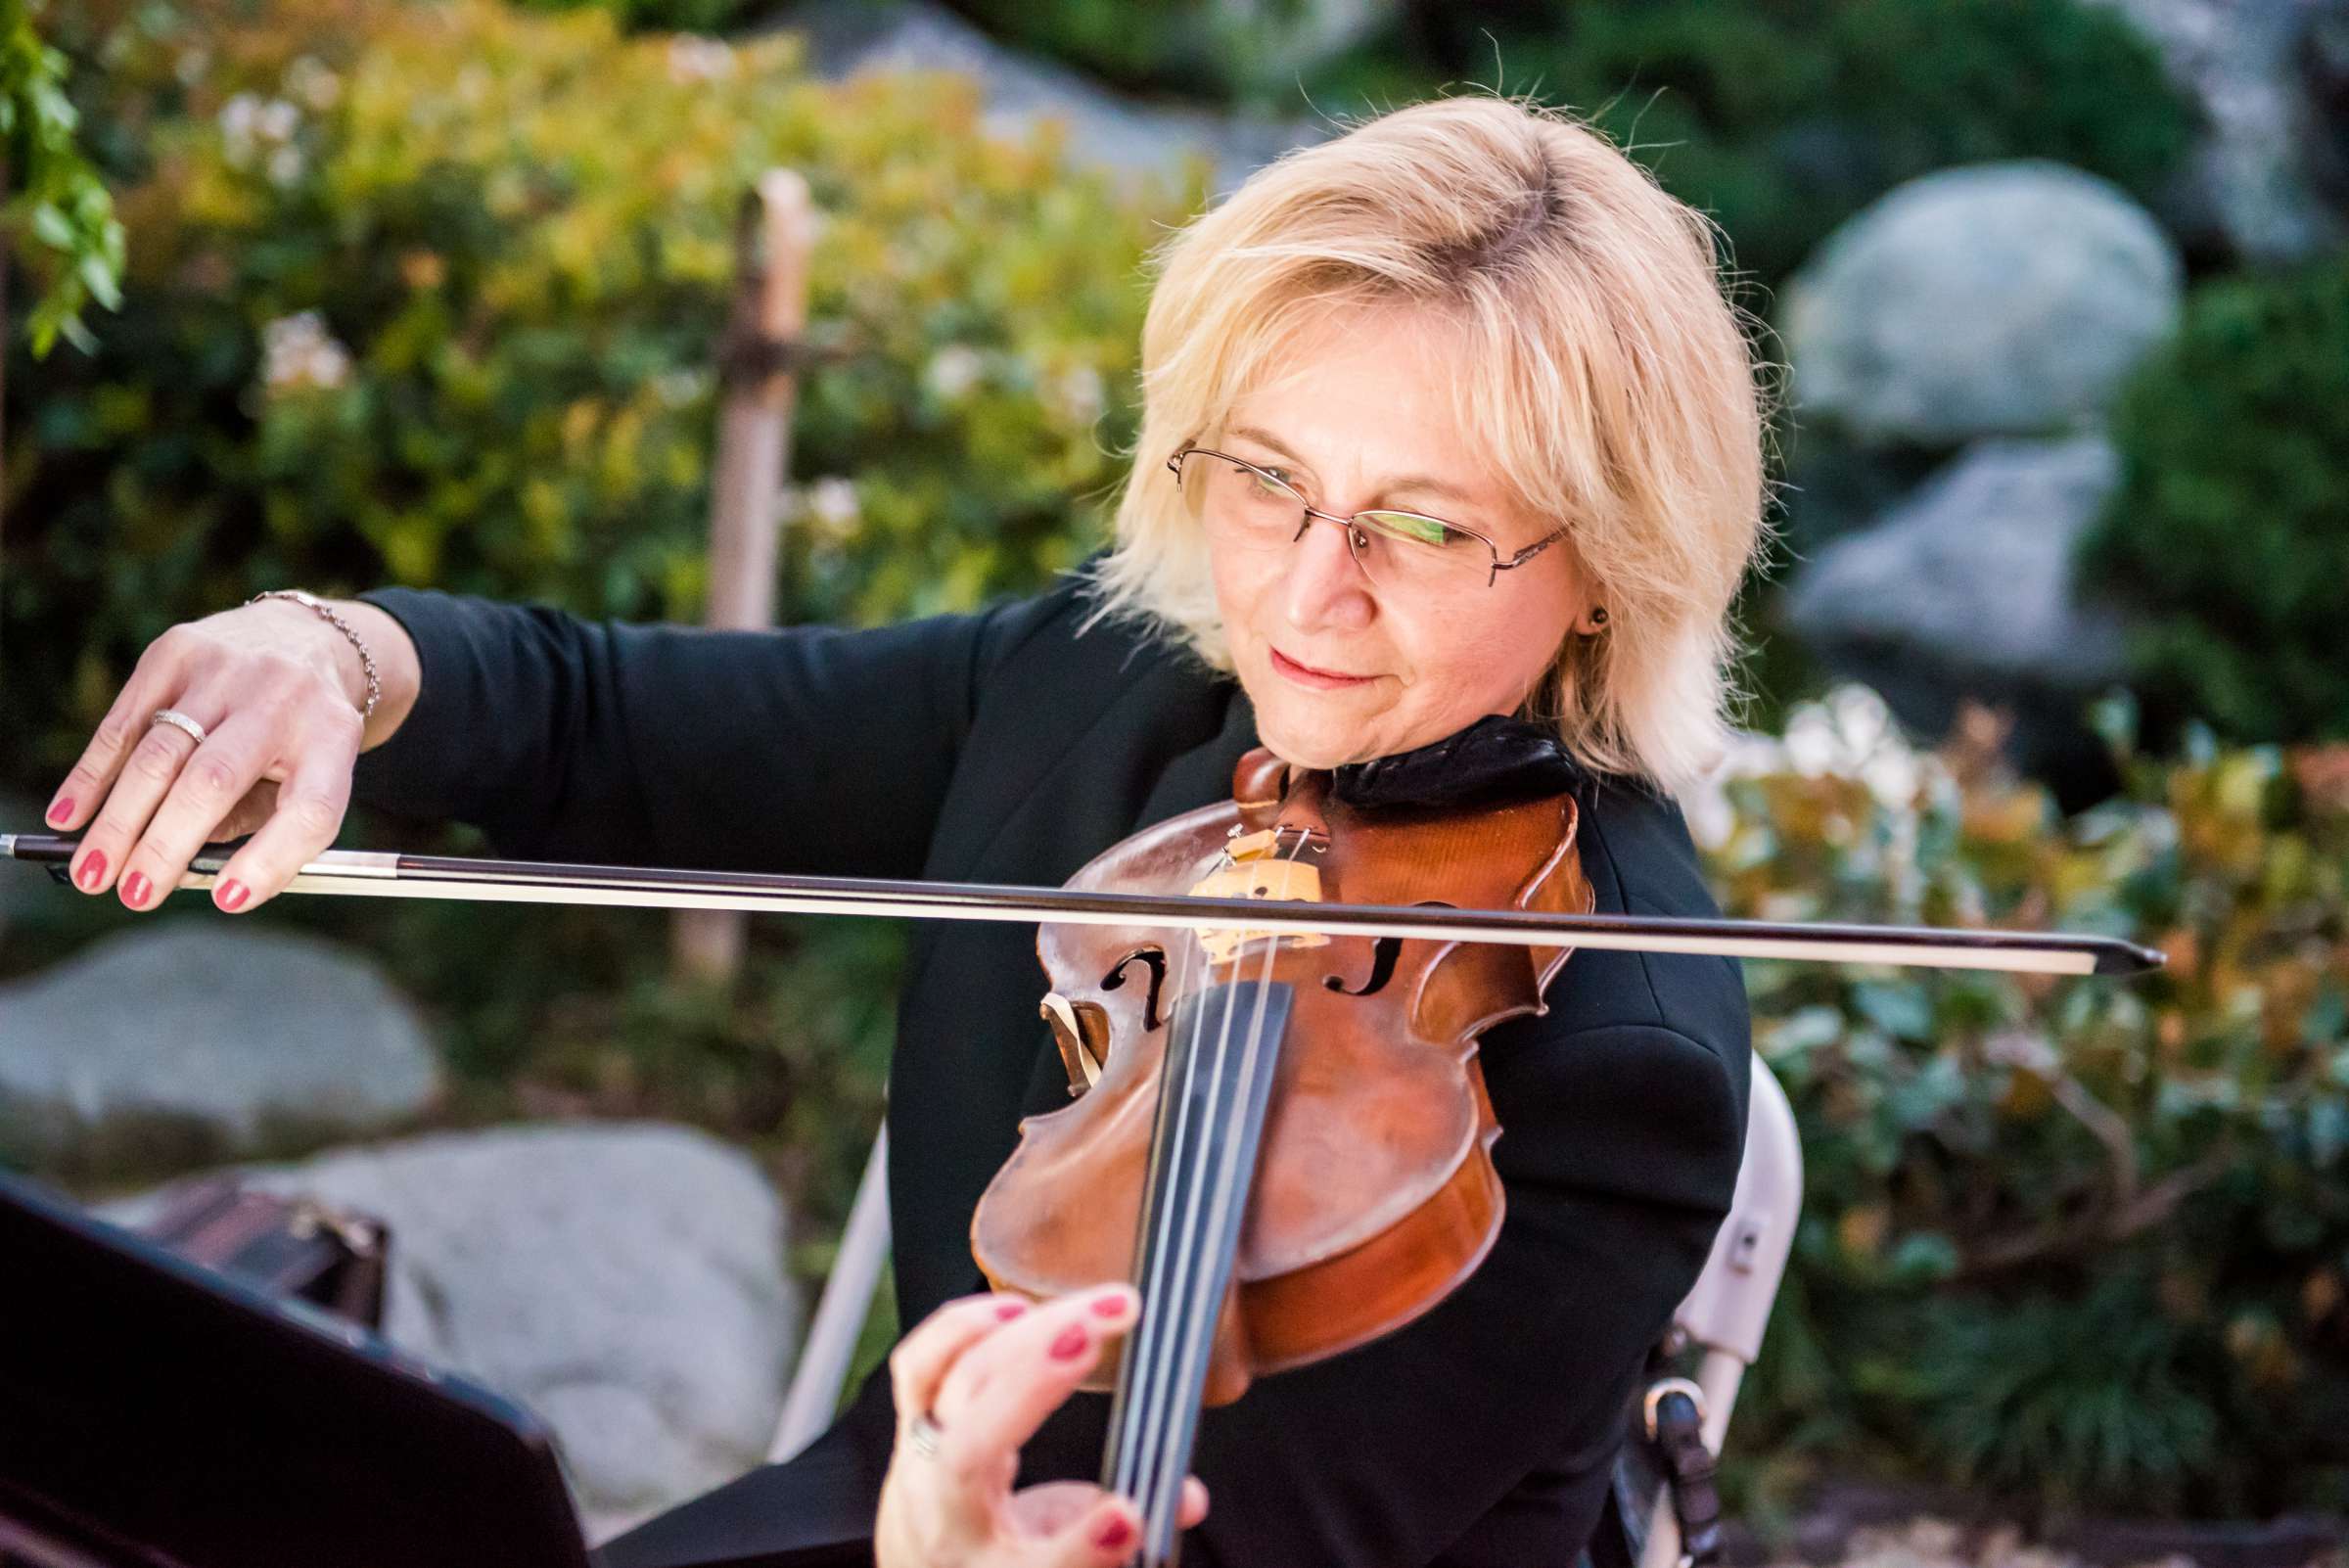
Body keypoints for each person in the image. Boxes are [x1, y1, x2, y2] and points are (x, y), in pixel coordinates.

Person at [40, 90, 1771, 1566]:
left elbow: (1223, 1535)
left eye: (1417, 521)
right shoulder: (1100, 688)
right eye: (1264, 478)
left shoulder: (1611, 1048)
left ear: (1608, 569)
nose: (1310, 590)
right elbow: (602, 716)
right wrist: (337, 656)